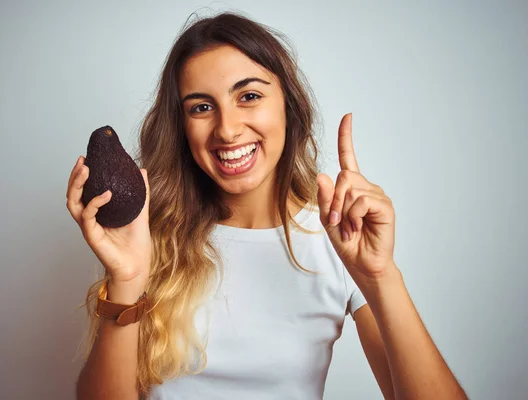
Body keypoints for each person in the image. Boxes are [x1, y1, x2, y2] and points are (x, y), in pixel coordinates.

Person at [68, 11, 467, 400]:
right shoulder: (149, 237)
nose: (227, 128)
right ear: (182, 126)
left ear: (288, 106)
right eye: (201, 107)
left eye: (250, 96)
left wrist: (381, 277)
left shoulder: (339, 235)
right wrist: (127, 277)